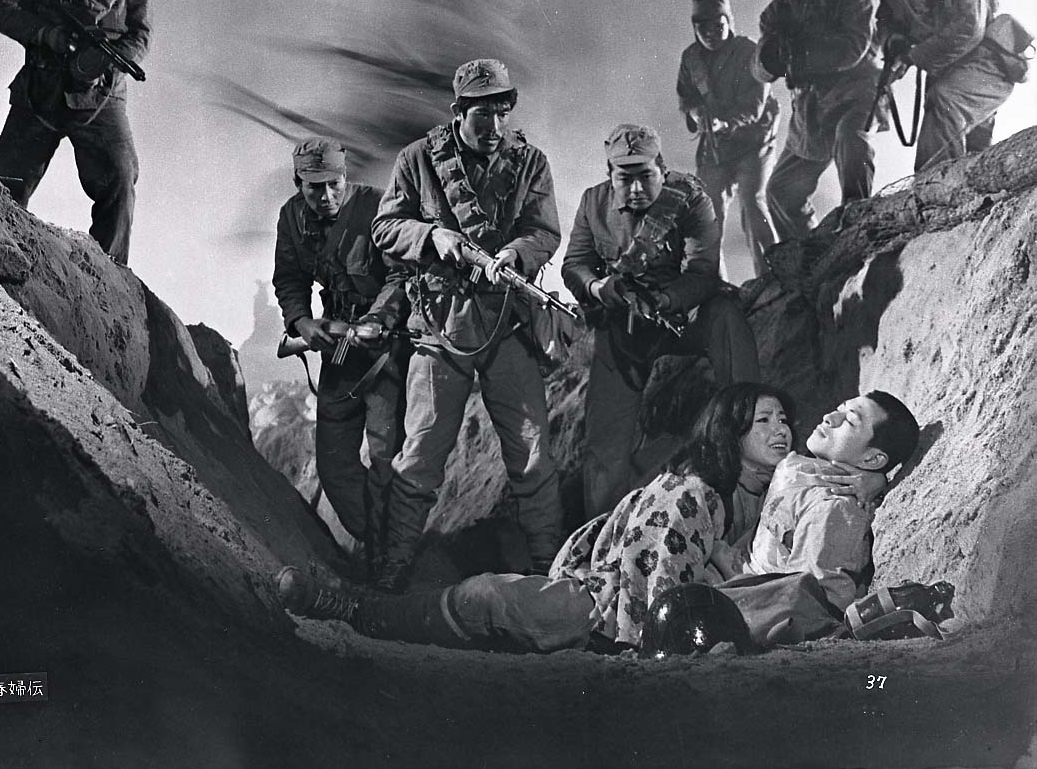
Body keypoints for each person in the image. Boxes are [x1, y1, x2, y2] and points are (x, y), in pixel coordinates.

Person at [275, 383, 851, 653]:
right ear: (730, 432)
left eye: (783, 419)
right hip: (606, 605)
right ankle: (354, 608)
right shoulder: (694, 491)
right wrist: (640, 640)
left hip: (673, 612)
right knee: (486, 597)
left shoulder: (771, 488)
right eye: (762, 421)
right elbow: (648, 569)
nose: (781, 430)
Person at [369, 58, 563, 593]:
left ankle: (550, 567)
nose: (495, 126)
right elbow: (386, 226)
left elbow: (544, 231)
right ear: (459, 111)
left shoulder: (530, 163)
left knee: (532, 453)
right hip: (439, 324)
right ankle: (393, 566)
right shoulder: (418, 159)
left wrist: (516, 253)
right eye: (483, 115)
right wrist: (433, 238)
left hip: (507, 322)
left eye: (503, 112)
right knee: (421, 453)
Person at [562, 123, 760, 518]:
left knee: (726, 316)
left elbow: (703, 273)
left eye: (646, 176)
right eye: (625, 178)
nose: (636, 188)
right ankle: (602, 529)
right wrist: (600, 288)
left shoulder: (690, 199)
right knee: (605, 444)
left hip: (682, 314)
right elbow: (575, 265)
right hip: (624, 326)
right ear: (609, 175)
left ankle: (750, 431)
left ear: (662, 169)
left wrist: (666, 300)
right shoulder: (592, 203)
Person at [0, 0, 151, 265]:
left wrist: (102, 62)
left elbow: (140, 35)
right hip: (40, 90)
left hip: (100, 95)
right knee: (5, 183)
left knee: (121, 177)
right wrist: (47, 34)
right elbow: (4, 11)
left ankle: (109, 273)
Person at [272, 137, 410, 578]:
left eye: (335, 184)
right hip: (337, 349)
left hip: (385, 350)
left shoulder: (379, 206)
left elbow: (402, 275)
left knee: (388, 458)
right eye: (315, 187)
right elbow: (289, 278)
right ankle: (378, 539)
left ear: (345, 176)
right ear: (298, 183)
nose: (327, 195)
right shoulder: (292, 218)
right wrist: (302, 322)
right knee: (334, 466)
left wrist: (376, 319)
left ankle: (391, 556)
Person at [714, 391, 920, 612]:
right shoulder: (805, 469)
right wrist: (879, 479)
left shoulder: (834, 508)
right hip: (726, 574)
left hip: (742, 603)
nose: (829, 418)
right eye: (839, 409)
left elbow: (806, 600)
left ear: (871, 459)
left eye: (850, 421)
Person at [856, 0, 1017, 171]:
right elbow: (887, 20)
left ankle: (931, 190)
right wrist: (895, 42)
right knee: (975, 157)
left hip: (988, 66)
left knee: (943, 107)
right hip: (947, 71)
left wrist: (912, 57)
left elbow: (969, 28)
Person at [755, 0, 882, 242]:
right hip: (811, 110)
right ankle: (809, 253)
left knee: (851, 141)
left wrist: (800, 54)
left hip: (856, 96)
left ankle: (857, 227)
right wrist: (771, 57)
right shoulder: (776, 13)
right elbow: (761, 70)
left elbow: (852, 49)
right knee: (780, 191)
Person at [676, 0, 780, 280]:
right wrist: (695, 114)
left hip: (753, 143)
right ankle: (712, 284)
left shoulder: (749, 52)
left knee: (753, 204)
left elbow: (755, 106)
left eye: (717, 26)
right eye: (703, 28)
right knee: (707, 215)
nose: (711, 34)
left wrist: (724, 123)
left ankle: (774, 277)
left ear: (729, 22)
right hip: (715, 149)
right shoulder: (691, 58)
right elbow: (686, 97)